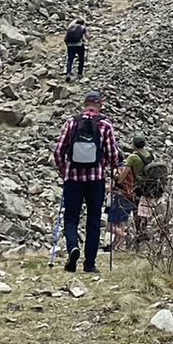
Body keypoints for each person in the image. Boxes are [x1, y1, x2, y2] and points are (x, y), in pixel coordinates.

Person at [52, 87, 120, 272]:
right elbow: (113, 154)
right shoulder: (105, 125)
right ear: (100, 104)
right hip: (96, 179)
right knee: (94, 220)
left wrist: (63, 169)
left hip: (73, 178)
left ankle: (73, 247)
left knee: (71, 217)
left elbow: (58, 151)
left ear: (84, 104)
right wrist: (113, 170)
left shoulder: (71, 122)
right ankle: (89, 264)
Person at [106, 162, 136, 255]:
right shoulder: (130, 170)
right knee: (122, 224)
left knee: (109, 225)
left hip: (118, 198)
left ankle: (124, 236)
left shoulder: (116, 170)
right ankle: (118, 246)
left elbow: (110, 187)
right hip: (129, 198)